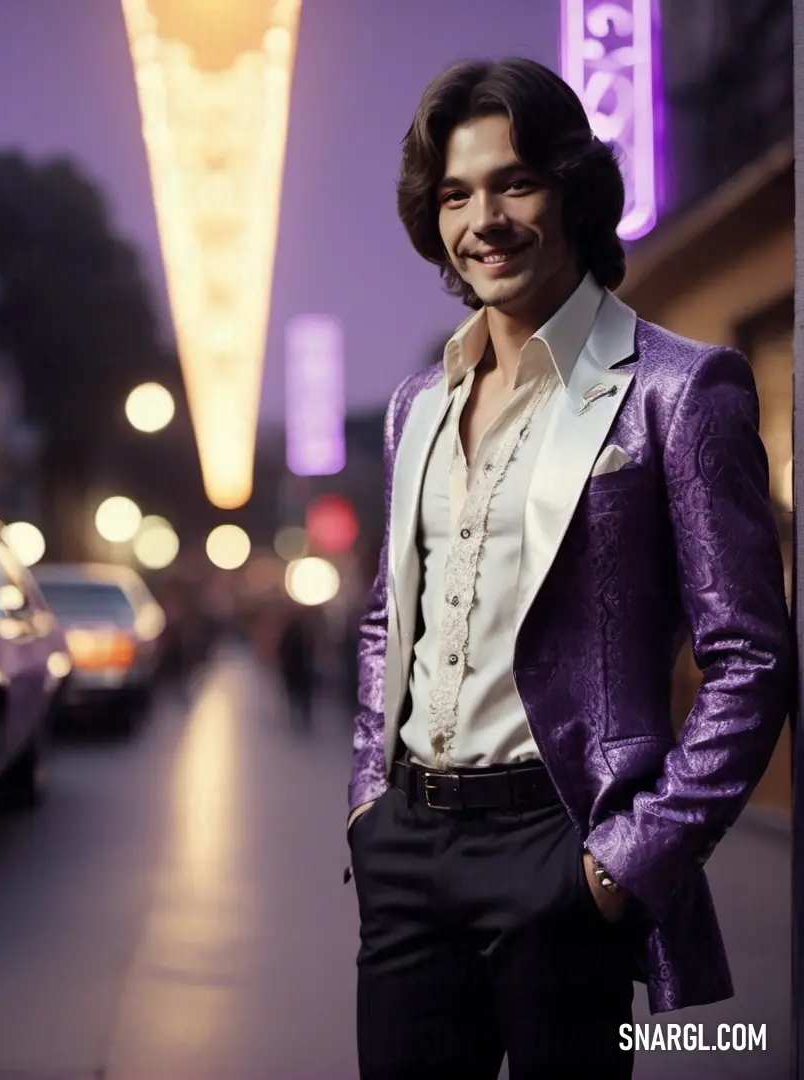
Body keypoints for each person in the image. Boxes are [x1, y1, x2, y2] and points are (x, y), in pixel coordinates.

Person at [345, 57, 794, 1079]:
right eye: (457, 194)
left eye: (516, 182)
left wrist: (624, 862)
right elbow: (387, 617)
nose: (484, 219)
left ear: (574, 193)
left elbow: (752, 657)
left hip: (561, 852)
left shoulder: (680, 390)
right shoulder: (420, 403)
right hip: (408, 851)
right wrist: (371, 799)